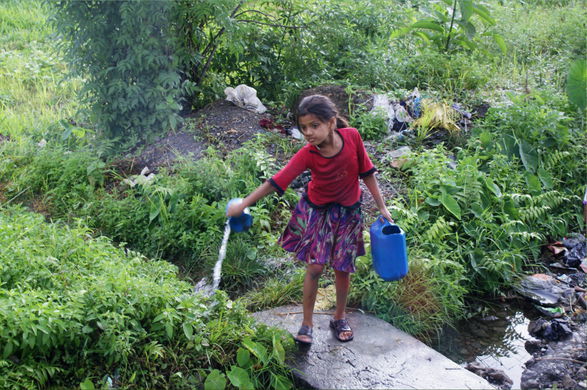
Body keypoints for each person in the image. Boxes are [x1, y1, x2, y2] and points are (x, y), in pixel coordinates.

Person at [226, 94, 393, 344]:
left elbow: (366, 172)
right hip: (318, 212)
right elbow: (278, 180)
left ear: (332, 122)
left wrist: (382, 207)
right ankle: (307, 323)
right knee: (315, 267)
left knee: (342, 268)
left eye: (314, 126)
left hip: (348, 212)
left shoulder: (352, 137)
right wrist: (244, 204)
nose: (308, 132)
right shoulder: (308, 154)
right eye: (304, 127)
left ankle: (339, 318)